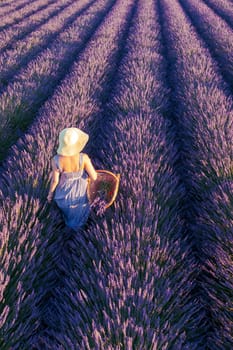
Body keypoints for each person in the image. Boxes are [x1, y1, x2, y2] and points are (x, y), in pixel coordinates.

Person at [47, 127, 97, 230]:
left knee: (68, 215)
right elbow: (94, 177)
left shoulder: (56, 160)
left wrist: (50, 194)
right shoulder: (84, 158)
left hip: (64, 192)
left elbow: (55, 181)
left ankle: (68, 231)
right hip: (80, 192)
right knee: (79, 213)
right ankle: (81, 233)